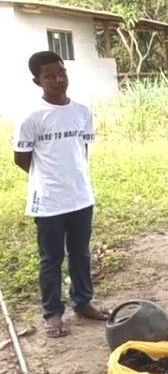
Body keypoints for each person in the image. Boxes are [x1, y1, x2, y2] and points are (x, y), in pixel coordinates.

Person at [12, 51, 109, 338]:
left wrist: (73, 178)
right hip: (49, 202)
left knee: (80, 253)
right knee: (50, 259)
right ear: (37, 81)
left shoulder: (82, 111)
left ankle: (83, 302)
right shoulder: (31, 116)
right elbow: (21, 158)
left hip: (80, 197)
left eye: (61, 73)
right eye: (49, 76)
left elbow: (83, 150)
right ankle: (53, 313)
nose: (57, 80)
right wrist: (48, 179)